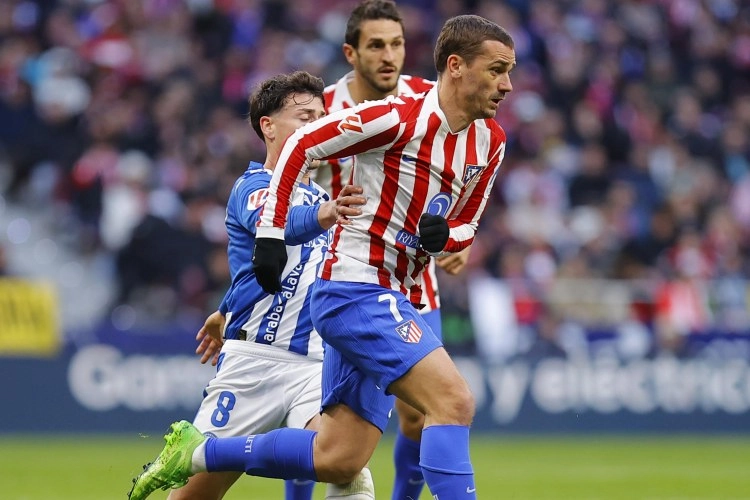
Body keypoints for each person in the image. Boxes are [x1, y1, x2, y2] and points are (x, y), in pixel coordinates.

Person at [129, 14, 514, 500]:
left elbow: (466, 228)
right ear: (455, 66)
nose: (507, 85)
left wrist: (446, 236)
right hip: (348, 298)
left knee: (341, 461)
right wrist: (271, 238)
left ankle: (199, 453)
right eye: (497, 70)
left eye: (509, 72)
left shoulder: (490, 142)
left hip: (352, 323)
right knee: (453, 400)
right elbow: (299, 158)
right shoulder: (392, 120)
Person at [128, 71, 374, 500]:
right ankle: (197, 454)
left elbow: (287, 271)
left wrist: (226, 307)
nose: (317, 127)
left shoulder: (323, 198)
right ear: (268, 126)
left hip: (316, 364)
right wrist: (326, 215)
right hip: (254, 362)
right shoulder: (253, 187)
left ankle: (206, 453)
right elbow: (274, 228)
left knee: (347, 468)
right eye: (305, 117)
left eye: (321, 118)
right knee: (191, 497)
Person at [316, 2, 472, 496]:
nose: (389, 56)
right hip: (340, 273)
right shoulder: (323, 108)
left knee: (421, 414)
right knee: (316, 422)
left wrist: (457, 237)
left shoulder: (427, 99)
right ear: (351, 53)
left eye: (397, 44)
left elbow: (461, 177)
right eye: (376, 45)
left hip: (413, 279)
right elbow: (287, 176)